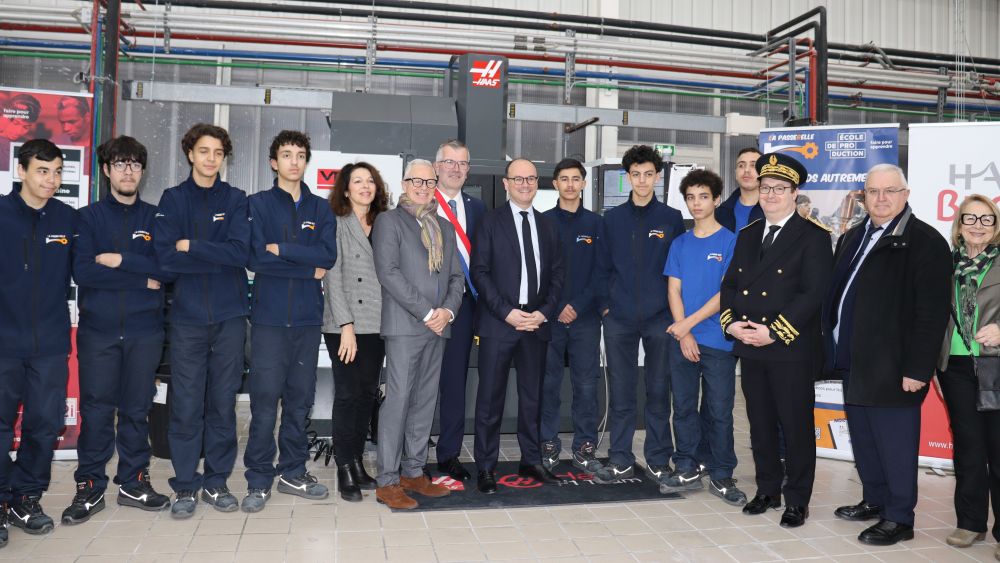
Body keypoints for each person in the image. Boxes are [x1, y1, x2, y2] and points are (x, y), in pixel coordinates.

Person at [824, 163, 951, 544]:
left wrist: (918, 368)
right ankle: (875, 499)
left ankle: (899, 518)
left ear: (905, 195)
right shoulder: (854, 235)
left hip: (896, 367)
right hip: (854, 360)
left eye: (889, 191)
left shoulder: (925, 242)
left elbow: (932, 314)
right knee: (864, 438)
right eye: (872, 191)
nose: (880, 199)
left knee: (895, 445)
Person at [61, 136, 172, 526]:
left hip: (145, 331)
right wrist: (141, 279)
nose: (129, 171)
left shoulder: (156, 217)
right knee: (95, 411)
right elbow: (84, 271)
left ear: (142, 171)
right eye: (120, 164)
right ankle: (90, 486)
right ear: (106, 170)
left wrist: (120, 259)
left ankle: (133, 482)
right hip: (99, 332)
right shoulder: (87, 218)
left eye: (135, 164)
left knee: (137, 410)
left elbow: (166, 268)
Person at [720, 152, 832, 528]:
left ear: (794, 192)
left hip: (789, 348)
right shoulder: (749, 234)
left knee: (796, 427)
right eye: (765, 188)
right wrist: (732, 324)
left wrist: (774, 331)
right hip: (750, 345)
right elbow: (731, 285)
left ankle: (797, 499)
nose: (770, 195)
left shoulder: (813, 237)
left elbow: (812, 294)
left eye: (779, 189)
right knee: (760, 422)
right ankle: (768, 489)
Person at [153, 123, 250, 519]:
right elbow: (165, 261)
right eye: (204, 151)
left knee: (222, 405)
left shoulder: (237, 199)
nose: (211, 159)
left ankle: (217, 481)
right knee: (187, 405)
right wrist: (215, 252)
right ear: (190, 154)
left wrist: (192, 245)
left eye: (218, 153)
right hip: (189, 319)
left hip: (229, 317)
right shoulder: (173, 200)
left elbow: (240, 253)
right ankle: (185, 486)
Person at [242, 131, 336, 512]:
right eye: (286, 155)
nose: (294, 161)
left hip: (307, 321)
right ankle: (258, 478)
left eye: (300, 155)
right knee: (265, 403)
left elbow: (327, 256)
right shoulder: (258, 205)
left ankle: (293, 471)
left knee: (300, 401)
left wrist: (283, 250)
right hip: (267, 321)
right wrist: (304, 263)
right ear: (273, 162)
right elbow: (255, 258)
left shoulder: (320, 208)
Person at [371, 159, 464, 509]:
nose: (423, 186)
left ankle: (413, 472)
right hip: (405, 327)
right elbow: (389, 273)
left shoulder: (444, 226)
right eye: (416, 180)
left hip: (438, 327)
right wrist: (427, 312)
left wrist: (447, 312)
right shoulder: (389, 221)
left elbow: (456, 278)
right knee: (398, 403)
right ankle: (387, 480)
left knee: (425, 402)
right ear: (404, 182)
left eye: (429, 181)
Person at [471, 158, 566, 494]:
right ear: (506, 184)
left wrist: (543, 312)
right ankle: (485, 466)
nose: (525, 184)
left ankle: (531, 458)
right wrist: (507, 312)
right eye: (518, 179)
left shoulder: (548, 225)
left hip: (536, 324)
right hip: (501, 324)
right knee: (490, 400)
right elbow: (479, 273)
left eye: (530, 178)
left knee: (532, 399)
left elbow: (557, 275)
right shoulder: (489, 222)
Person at [0, 139, 77, 542]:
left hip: (49, 342)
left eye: (58, 171)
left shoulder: (66, 219)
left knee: (44, 425)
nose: (52, 179)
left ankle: (25, 498)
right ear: (21, 172)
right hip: (4, 343)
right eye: (43, 171)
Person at [593, 145, 684, 485]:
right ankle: (620, 458)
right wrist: (605, 306)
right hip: (618, 318)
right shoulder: (612, 219)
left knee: (660, 389)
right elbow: (601, 267)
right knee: (622, 389)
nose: (643, 181)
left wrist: (675, 313)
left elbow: (677, 271)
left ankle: (659, 459)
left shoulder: (671, 219)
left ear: (657, 177)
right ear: (627, 176)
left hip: (661, 318)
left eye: (649, 174)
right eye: (636, 174)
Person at [662, 169, 745, 506]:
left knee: (719, 410)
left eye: (703, 197)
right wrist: (683, 333)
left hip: (719, 341)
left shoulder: (731, 241)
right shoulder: (679, 243)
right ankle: (686, 464)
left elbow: (726, 293)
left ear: (716, 200)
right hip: (683, 339)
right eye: (691, 197)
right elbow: (674, 289)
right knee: (682, 407)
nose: (697, 203)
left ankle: (722, 472)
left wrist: (687, 326)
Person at [322, 162, 390, 501]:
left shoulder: (384, 223)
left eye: (370, 181)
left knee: (366, 396)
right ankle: (344, 467)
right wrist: (346, 326)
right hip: (343, 324)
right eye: (357, 181)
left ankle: (359, 462)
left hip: (377, 323)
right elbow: (333, 277)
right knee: (347, 395)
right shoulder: (336, 222)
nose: (365, 186)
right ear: (345, 189)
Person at [937, 195, 1000, 556]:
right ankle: (970, 523)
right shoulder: (946, 265)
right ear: (959, 224)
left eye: (986, 219)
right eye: (970, 218)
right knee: (968, 449)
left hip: (996, 364)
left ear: (995, 226)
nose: (977, 225)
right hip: (956, 368)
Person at [539, 158, 605, 474]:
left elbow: (601, 272)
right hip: (550, 318)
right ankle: (548, 443)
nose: (569, 184)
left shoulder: (596, 224)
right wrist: (557, 306)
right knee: (548, 384)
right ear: (555, 184)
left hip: (586, 318)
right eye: (563, 178)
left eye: (575, 179)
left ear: (583, 183)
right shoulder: (542, 222)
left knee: (586, 386)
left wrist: (576, 305)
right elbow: (539, 272)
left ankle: (584, 447)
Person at [433, 139, 486, 482]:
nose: (455, 168)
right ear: (436, 167)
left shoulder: (479, 209)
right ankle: (408, 451)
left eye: (462, 163)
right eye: (449, 162)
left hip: (464, 310)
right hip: (422, 309)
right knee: (416, 383)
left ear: (468, 169)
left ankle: (448, 453)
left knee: (455, 383)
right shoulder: (417, 203)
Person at [715, 147, 763, 232]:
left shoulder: (773, 210)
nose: (746, 170)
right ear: (736, 173)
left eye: (753, 165)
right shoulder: (720, 213)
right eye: (741, 166)